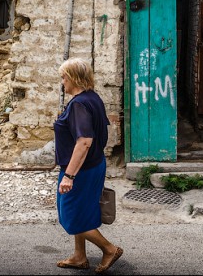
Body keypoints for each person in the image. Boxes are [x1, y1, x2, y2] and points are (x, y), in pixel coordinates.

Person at [54, 58, 123, 273]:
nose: (62, 81)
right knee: (81, 211)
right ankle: (79, 256)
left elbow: (84, 142)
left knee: (71, 216)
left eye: (64, 77)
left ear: (74, 78)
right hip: (93, 165)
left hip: (80, 170)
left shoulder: (79, 104)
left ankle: (109, 249)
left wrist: (69, 176)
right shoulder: (92, 98)